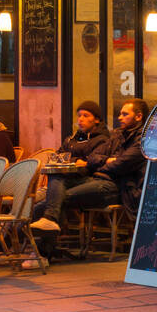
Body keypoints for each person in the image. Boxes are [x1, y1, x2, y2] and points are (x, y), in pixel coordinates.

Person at [30, 99, 147, 232]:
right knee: (56, 177)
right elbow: (92, 158)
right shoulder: (117, 135)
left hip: (116, 186)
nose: (120, 117)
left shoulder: (143, 140)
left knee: (54, 200)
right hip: (97, 180)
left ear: (138, 117)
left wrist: (104, 163)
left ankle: (25, 234)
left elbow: (122, 164)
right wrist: (108, 160)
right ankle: (45, 230)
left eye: (125, 114)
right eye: (120, 114)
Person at [26, 101, 112, 236]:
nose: (81, 119)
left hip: (87, 180)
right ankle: (11, 233)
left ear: (96, 120)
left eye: (86, 115)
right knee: (29, 201)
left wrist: (70, 162)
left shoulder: (102, 139)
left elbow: (90, 164)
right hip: (64, 180)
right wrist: (75, 161)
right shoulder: (71, 139)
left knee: (52, 199)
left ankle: (21, 239)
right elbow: (56, 157)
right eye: (79, 116)